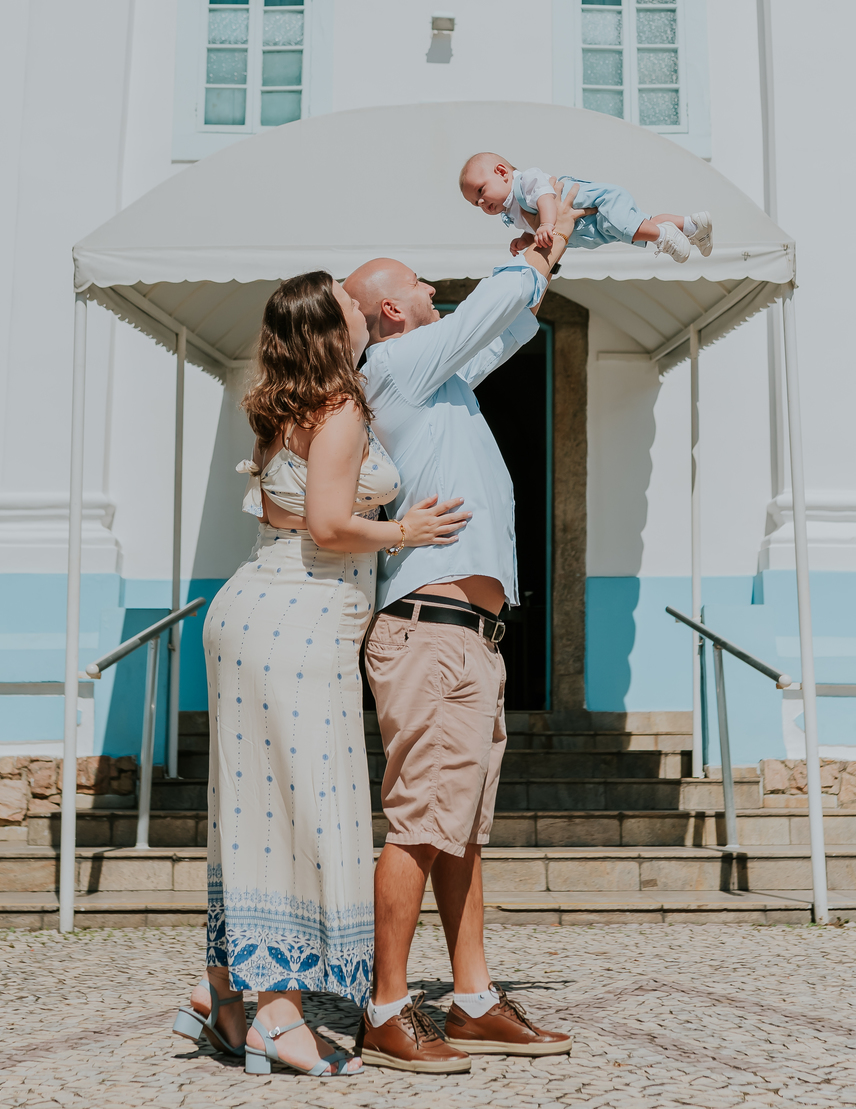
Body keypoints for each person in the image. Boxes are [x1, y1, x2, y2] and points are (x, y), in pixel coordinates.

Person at [173, 271, 470, 1079]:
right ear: (331, 330)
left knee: (255, 810)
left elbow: (284, 509)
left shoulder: (283, 406)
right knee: (305, 810)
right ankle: (278, 1017)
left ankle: (223, 990)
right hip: (296, 623)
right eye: (346, 300)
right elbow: (332, 524)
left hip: (260, 611)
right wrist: (407, 530)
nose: (359, 305)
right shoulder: (337, 410)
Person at [341, 188, 580, 1074]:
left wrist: (546, 257)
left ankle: (473, 999)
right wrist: (532, 253)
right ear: (392, 312)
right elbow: (490, 305)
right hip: (433, 633)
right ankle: (386, 1008)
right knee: (418, 823)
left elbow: (507, 327)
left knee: (461, 827)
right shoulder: (395, 366)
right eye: (417, 283)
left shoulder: (437, 380)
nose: (432, 289)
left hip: (469, 638)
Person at [458, 150, 712, 263]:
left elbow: (546, 197)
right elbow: (534, 226)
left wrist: (546, 224)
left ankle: (664, 236)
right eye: (474, 203)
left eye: (480, 191)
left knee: (636, 229)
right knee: (646, 222)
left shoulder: (525, 181)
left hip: (600, 205)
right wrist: (525, 239)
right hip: (595, 224)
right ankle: (693, 225)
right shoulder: (512, 210)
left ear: (502, 172)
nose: (480, 202)